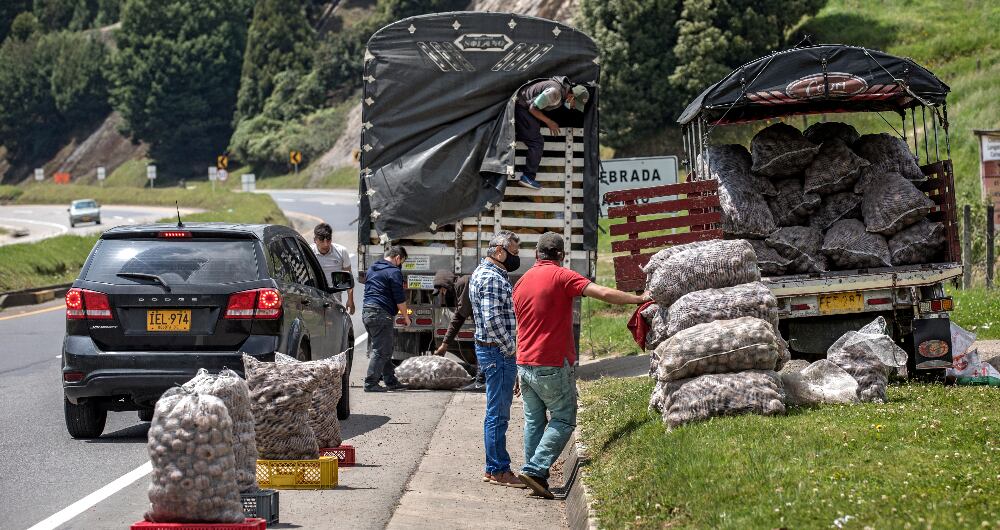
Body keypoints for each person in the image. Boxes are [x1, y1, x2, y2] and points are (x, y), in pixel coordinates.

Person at [512, 232, 650, 499]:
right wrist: (638, 299)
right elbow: (603, 292)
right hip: (550, 362)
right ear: (561, 256)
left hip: (524, 362)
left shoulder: (521, 282)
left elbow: (521, 327)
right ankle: (535, 468)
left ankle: (534, 475)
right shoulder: (563, 276)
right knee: (564, 418)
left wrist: (518, 369)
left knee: (533, 421)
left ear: (536, 255)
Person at [469, 230, 524, 488]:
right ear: (499, 251)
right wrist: (510, 348)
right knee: (498, 414)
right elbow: (492, 322)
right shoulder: (492, 279)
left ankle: (494, 468)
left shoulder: (482, 273)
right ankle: (498, 469)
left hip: (490, 350)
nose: (516, 258)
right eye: (513, 253)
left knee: (496, 412)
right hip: (497, 351)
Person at [514, 76, 590, 190]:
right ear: (571, 96)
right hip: (521, 106)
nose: (574, 107)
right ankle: (527, 177)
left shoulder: (559, 92)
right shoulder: (555, 93)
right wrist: (549, 122)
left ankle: (520, 168)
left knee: (532, 133)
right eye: (575, 103)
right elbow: (533, 108)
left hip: (523, 106)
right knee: (537, 142)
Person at [362, 245, 409, 393]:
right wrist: (406, 317)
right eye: (402, 261)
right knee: (381, 350)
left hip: (367, 312)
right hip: (381, 314)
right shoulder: (394, 272)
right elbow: (399, 298)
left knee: (384, 348)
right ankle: (371, 383)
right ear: (397, 258)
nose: (401, 265)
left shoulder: (373, 268)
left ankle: (390, 381)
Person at [433, 272, 485, 392]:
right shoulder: (462, 283)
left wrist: (444, 344)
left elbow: (459, 317)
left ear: (445, 286)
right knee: (481, 346)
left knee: (482, 346)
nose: (442, 294)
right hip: (483, 320)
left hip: (485, 320)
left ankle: (481, 381)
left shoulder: (463, 283)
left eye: (442, 291)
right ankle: (480, 378)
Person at [310, 223, 355, 315]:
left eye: (328, 239)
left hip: (335, 296)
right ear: (315, 240)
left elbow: (348, 277)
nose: (326, 244)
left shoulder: (341, 251)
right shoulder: (309, 252)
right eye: (322, 240)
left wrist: (350, 300)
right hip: (315, 296)